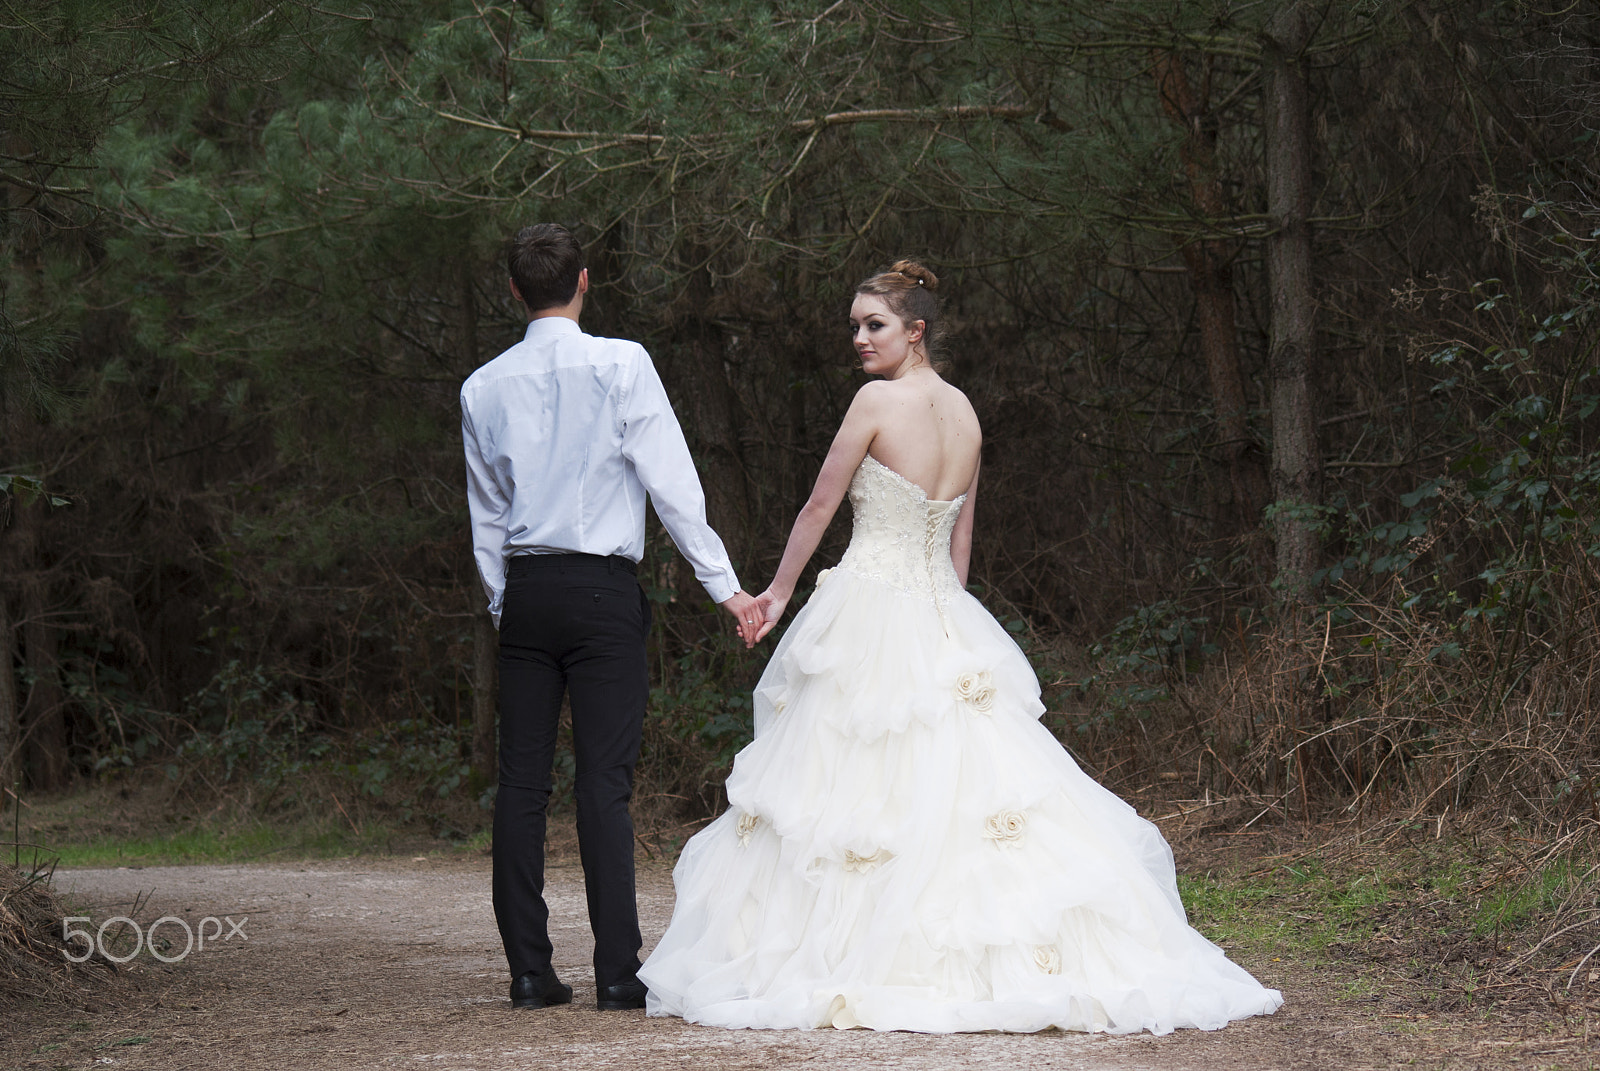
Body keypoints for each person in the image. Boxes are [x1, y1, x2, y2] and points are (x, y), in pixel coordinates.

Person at [637, 259, 1284, 1033]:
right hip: (943, 607)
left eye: (873, 324)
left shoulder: (877, 400)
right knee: (949, 776)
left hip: (873, 602)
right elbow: (961, 540)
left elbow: (820, 502)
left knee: (858, 782)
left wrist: (775, 593)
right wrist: (950, 617)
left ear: (916, 331)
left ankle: (862, 953)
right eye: (853, 325)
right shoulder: (967, 412)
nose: (859, 338)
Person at [461, 223, 761, 1012]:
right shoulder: (622, 364)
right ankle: (617, 973)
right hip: (601, 591)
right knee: (604, 784)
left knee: (520, 783)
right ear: (585, 281)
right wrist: (725, 587)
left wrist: (504, 603)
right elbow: (672, 483)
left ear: (515, 293)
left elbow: (486, 515)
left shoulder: (482, 386)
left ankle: (530, 972)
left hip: (526, 592)